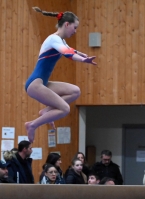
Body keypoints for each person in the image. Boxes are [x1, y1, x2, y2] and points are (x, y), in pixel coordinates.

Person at [24, 7, 97, 142]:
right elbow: (67, 53)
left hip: (43, 82)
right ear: (66, 24)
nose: (75, 31)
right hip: (35, 83)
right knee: (64, 109)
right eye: (74, 28)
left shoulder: (59, 40)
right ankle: (32, 124)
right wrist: (83, 59)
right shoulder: (53, 39)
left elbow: (70, 49)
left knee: (75, 91)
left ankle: (45, 112)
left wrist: (80, 53)